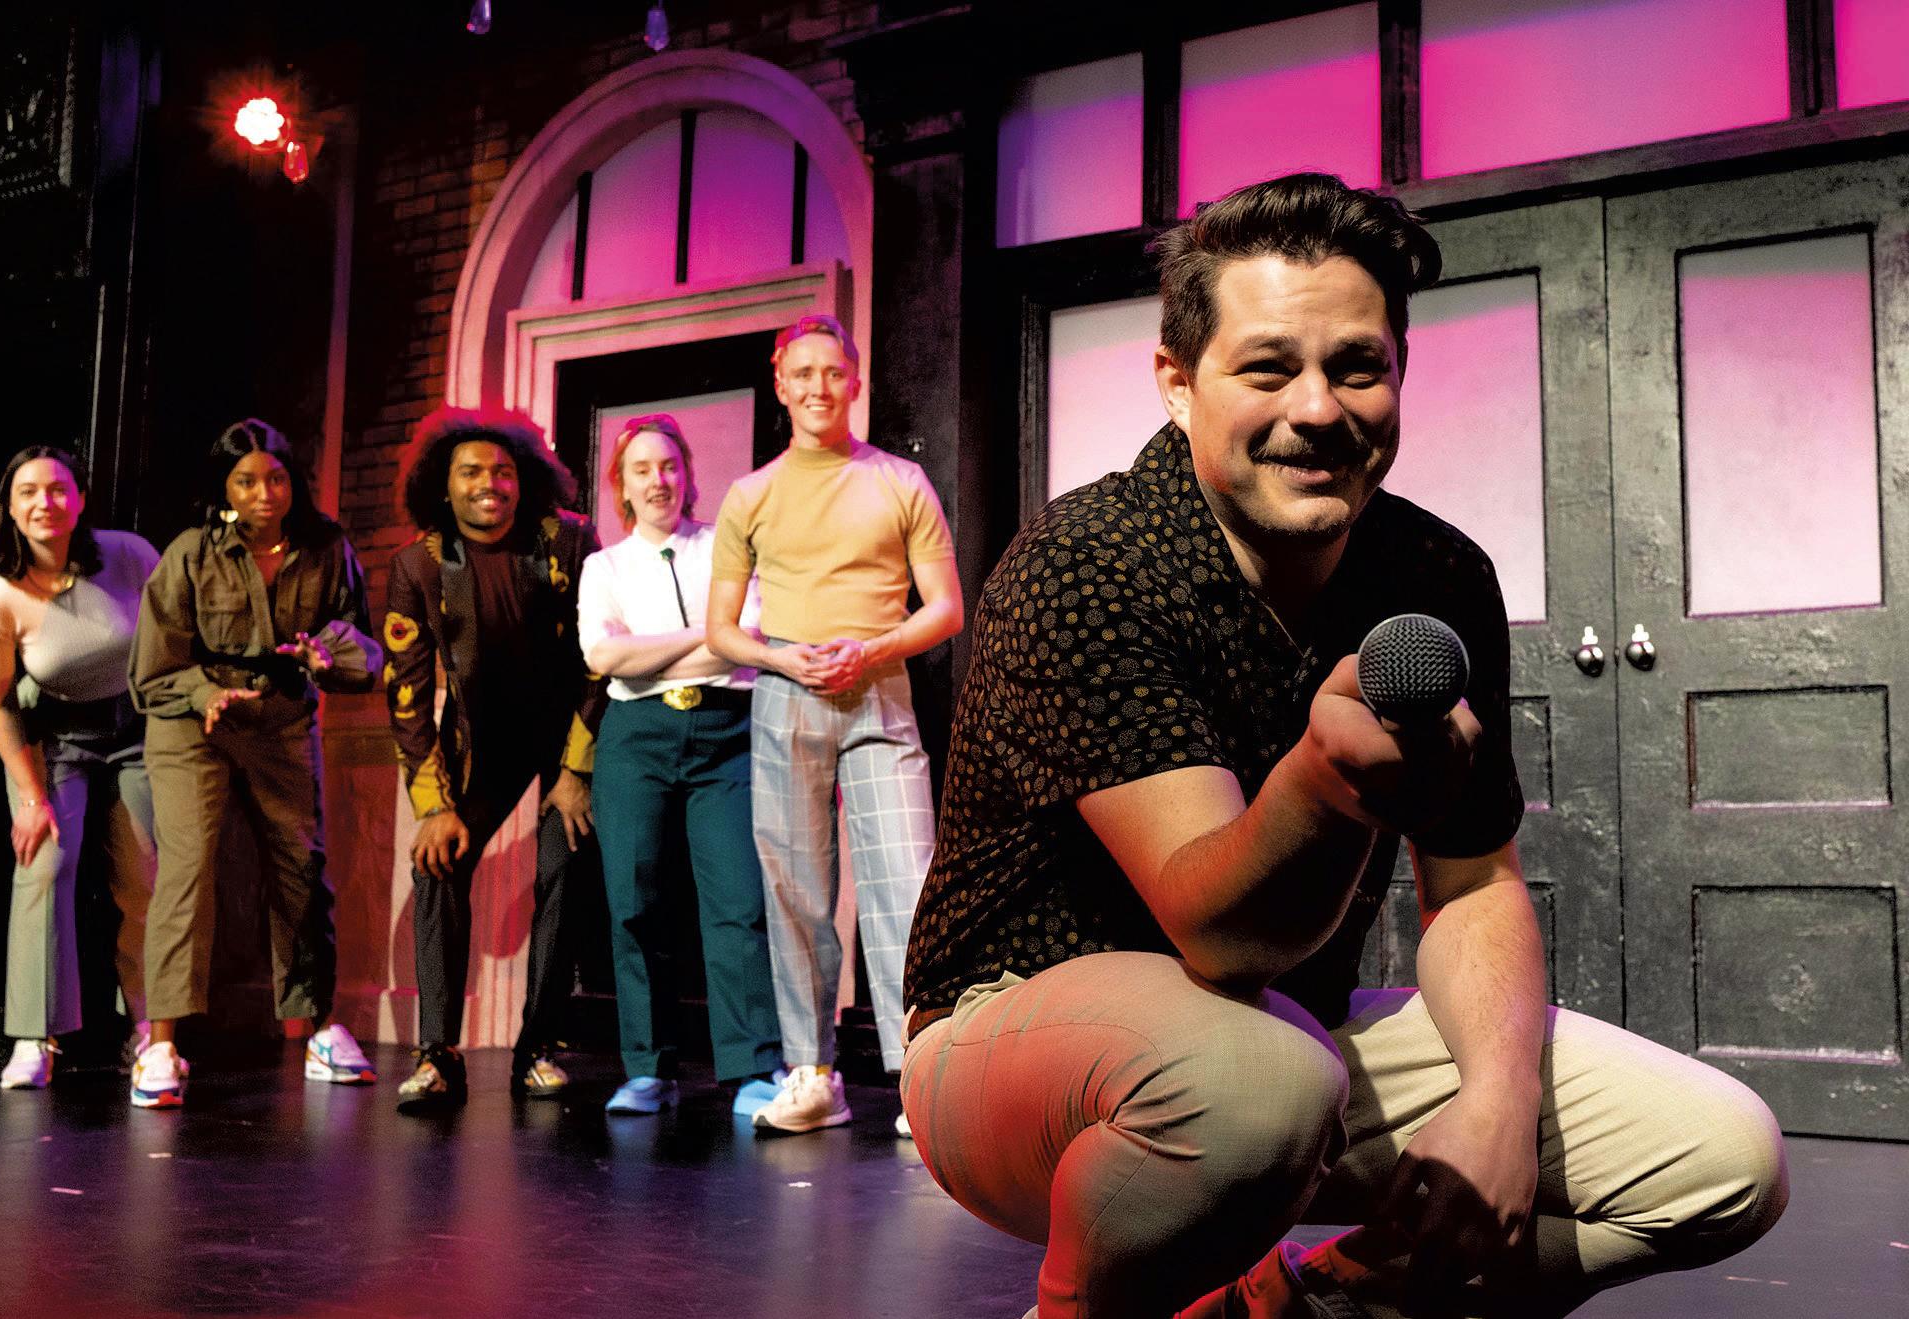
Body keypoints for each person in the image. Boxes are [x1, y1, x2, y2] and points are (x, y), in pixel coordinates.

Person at [899, 174, 1788, 1319]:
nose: (1316, 408)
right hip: (1009, 1036)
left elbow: (1472, 882)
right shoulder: (1087, 562)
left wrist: (1495, 1104)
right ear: (1176, 382)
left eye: (1356, 366)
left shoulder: (1433, 572)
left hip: (1288, 1036)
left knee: (1720, 1157)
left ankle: (1290, 1308)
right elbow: (1217, 931)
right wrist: (1320, 784)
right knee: (1252, 1080)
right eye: (1267, 368)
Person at [707, 313, 964, 1136]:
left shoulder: (899, 481)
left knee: (906, 883)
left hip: (879, 689)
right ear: (780, 383)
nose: (819, 387)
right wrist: (783, 658)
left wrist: (872, 648)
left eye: (833, 372)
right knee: (796, 891)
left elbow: (946, 608)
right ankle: (812, 1073)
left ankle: (919, 1076)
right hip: (787, 693)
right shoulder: (751, 494)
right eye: (803, 373)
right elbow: (721, 631)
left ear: (855, 382)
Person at [128, 419, 381, 1109]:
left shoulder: (327, 548)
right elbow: (152, 670)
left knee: (301, 865)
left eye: (276, 478)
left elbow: (361, 643)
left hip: (281, 715)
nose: (265, 493)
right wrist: (205, 694)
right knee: (189, 865)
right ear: (225, 488)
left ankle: (319, 1029)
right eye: (246, 481)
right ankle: (161, 1043)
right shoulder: (190, 552)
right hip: (194, 721)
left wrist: (328, 655)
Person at [386, 406, 606, 1110]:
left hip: (570, 730)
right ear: (443, 484)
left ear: (524, 477)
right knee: (437, 860)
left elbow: (600, 661)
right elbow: (406, 696)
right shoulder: (418, 564)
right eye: (472, 472)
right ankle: (437, 1054)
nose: (490, 484)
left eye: (503, 471)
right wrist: (433, 806)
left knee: (565, 863)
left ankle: (537, 1047)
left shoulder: (569, 540)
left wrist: (575, 772)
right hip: (481, 739)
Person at [577, 415, 783, 1117]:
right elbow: (604, 658)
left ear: (688, 474)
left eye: (668, 466)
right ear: (622, 486)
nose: (657, 480)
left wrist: (655, 652)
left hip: (727, 731)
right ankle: (648, 1069)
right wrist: (707, 635)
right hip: (636, 738)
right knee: (635, 902)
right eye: (641, 469)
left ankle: (751, 1068)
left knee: (737, 901)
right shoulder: (604, 567)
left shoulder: (725, 548)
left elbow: (750, 637)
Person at [0, 446, 157, 1089]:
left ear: (79, 499)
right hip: (51, 735)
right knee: (44, 862)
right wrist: (30, 798)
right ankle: (34, 1037)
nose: (44, 502)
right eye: (28, 492)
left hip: (137, 727)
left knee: (146, 874)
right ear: (10, 507)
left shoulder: (130, 555)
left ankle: (150, 1030)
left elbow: (175, 637)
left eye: (57, 489)